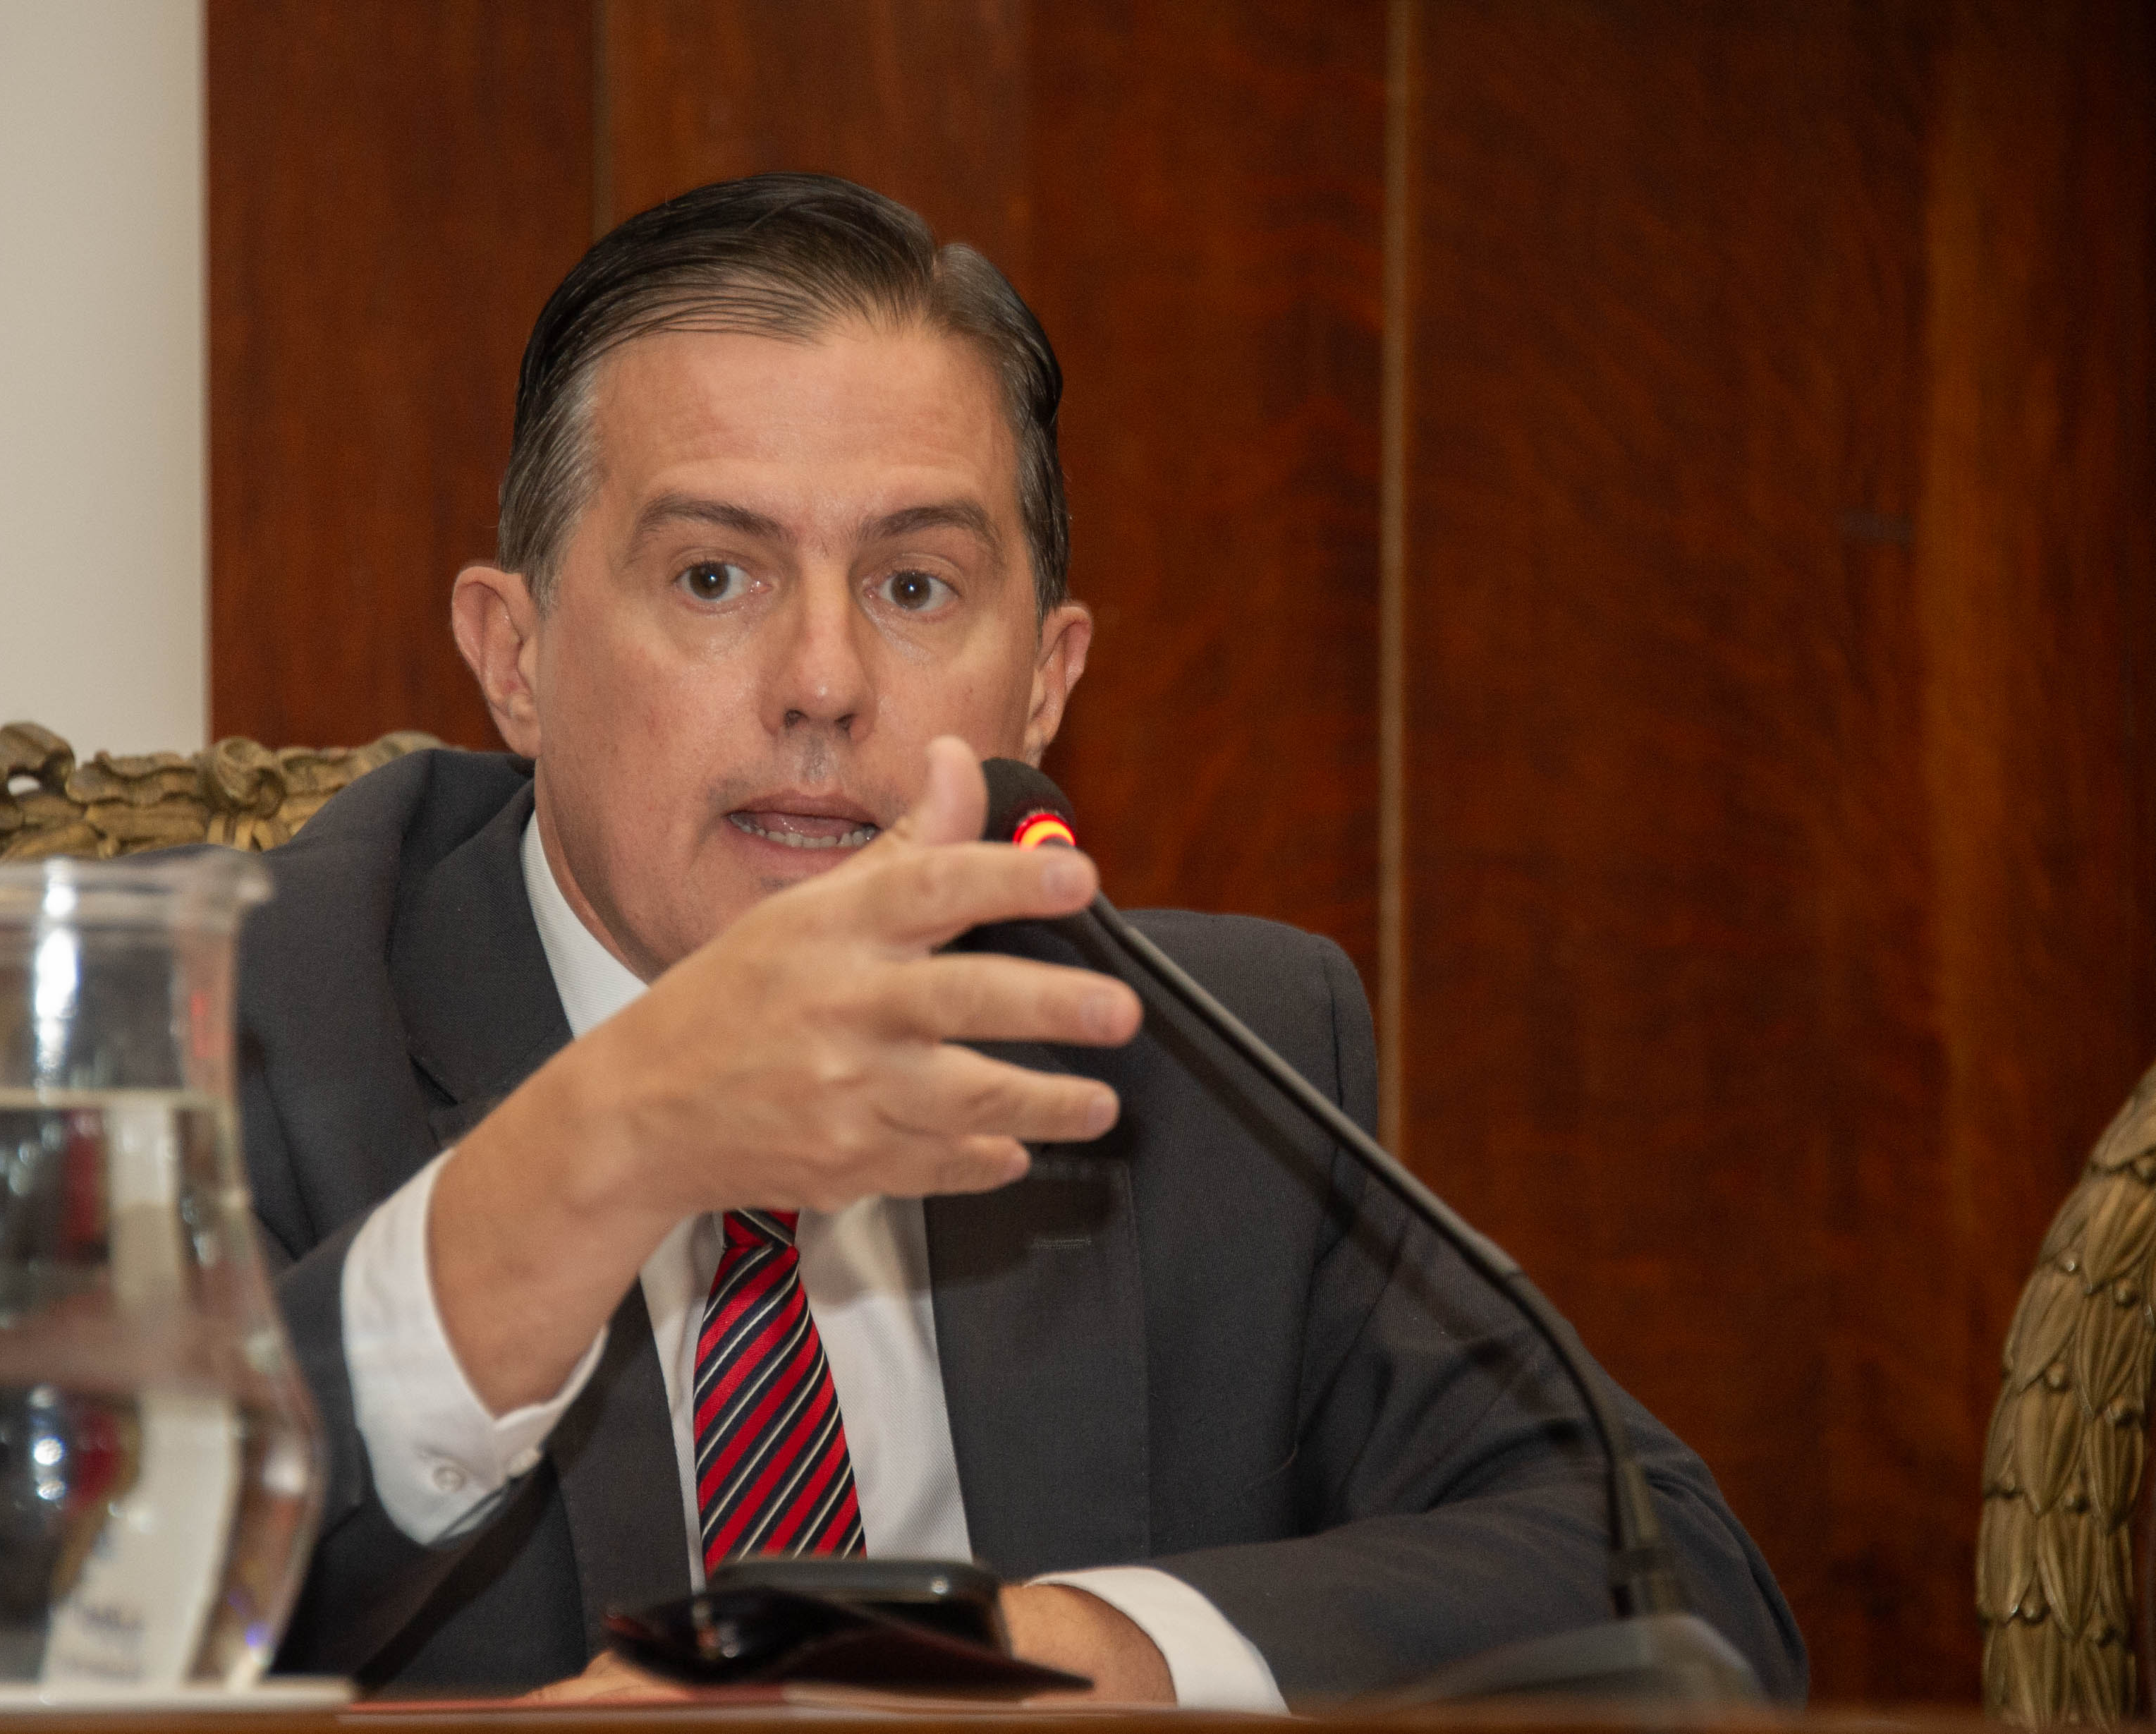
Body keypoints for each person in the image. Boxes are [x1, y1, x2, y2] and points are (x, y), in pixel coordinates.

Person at [237, 173, 1803, 1706]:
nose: (824, 681)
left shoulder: (1210, 1056)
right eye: (714, 576)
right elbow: (99, 1596)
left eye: (916, 586)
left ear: (1045, 683)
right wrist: (608, 1146)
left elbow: (1679, 1584)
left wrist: (1082, 1652)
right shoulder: (241, 1015)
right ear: (515, 657)